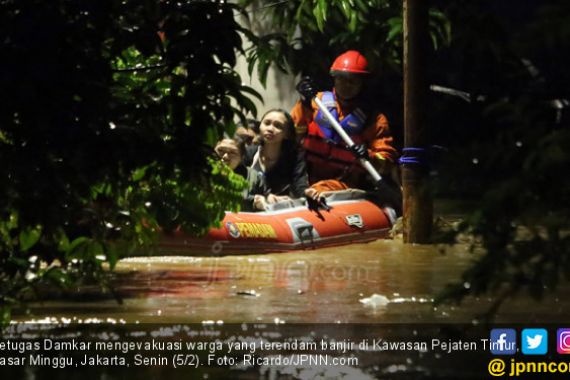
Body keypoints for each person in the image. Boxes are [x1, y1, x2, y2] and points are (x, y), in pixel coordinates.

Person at [290, 50, 400, 208]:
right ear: (334, 78)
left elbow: (386, 160)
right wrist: (304, 101)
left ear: (362, 83)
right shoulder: (314, 102)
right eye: (341, 79)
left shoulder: (373, 120)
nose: (346, 85)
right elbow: (291, 134)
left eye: (352, 81)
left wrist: (369, 156)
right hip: (304, 175)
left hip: (344, 183)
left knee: (321, 189)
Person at [244, 109, 309, 211]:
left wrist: (307, 193)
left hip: (277, 213)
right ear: (260, 126)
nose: (270, 128)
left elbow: (300, 186)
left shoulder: (294, 157)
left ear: (287, 133)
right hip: (247, 211)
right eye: (267, 123)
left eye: (278, 126)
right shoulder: (248, 153)